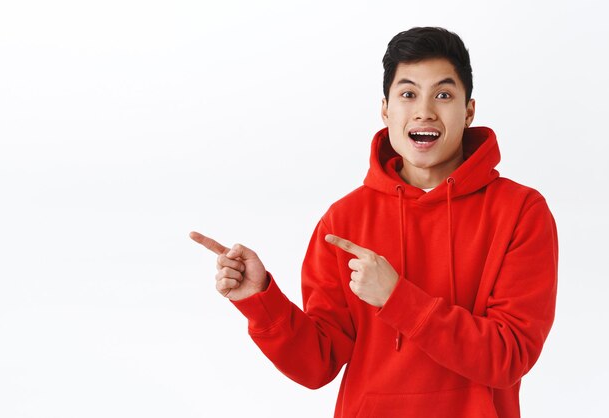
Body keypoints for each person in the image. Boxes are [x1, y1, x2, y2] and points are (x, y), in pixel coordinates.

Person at [190, 26, 558, 418]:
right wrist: (259, 299)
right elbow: (317, 365)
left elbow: (509, 356)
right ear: (385, 109)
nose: (424, 110)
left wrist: (398, 298)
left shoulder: (521, 211)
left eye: (444, 95)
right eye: (408, 94)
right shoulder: (343, 220)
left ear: (469, 110)